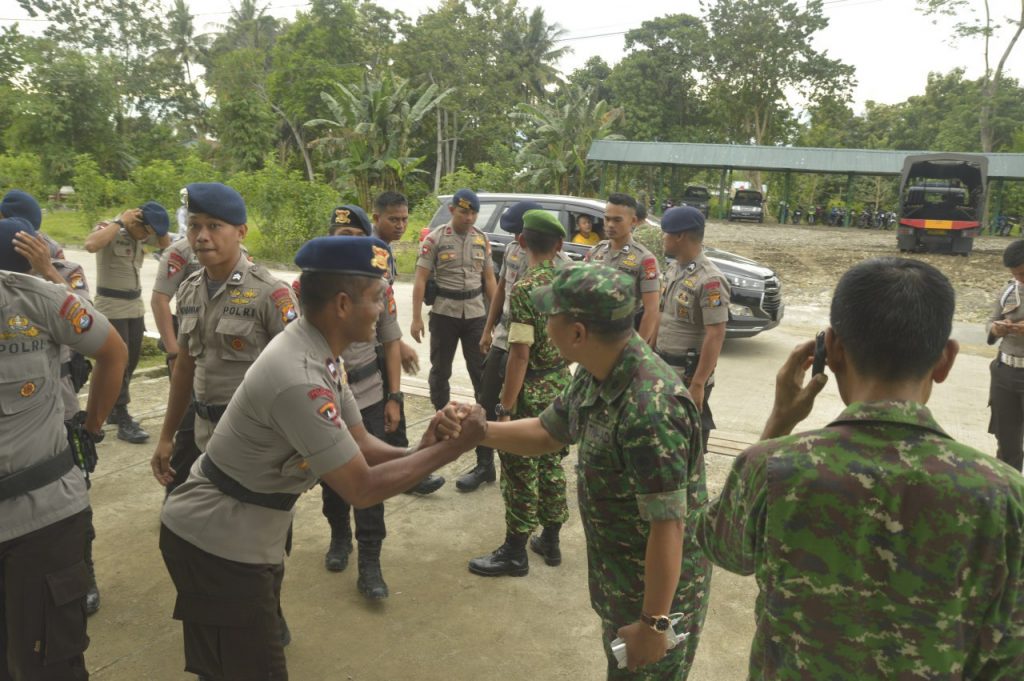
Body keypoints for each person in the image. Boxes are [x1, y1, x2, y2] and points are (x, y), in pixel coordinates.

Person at [156, 236, 484, 681]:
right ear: (344, 305)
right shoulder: (299, 375)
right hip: (216, 543)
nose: (385, 309)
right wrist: (453, 450)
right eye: (377, 298)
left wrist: (423, 445)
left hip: (248, 536)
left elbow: (362, 446)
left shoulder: (322, 355)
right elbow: (361, 488)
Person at [697, 257, 1024, 678]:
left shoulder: (773, 468)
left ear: (830, 351)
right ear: (945, 360)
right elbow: (1008, 657)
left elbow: (723, 547)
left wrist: (778, 425)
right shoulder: (1004, 495)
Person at [447, 263, 709, 678]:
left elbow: (669, 527)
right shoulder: (597, 371)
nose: (544, 323)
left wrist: (654, 623)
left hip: (657, 599)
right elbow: (548, 433)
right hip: (622, 580)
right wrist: (477, 432)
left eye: (552, 315)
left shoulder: (650, 408)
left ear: (577, 333)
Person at [0, 216, 128, 680]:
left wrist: (91, 428)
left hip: (43, 510)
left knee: (49, 660)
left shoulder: (39, 296)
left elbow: (107, 343)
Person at [152, 183, 297, 492]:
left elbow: (300, 374)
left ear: (241, 232)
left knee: (259, 531)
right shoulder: (189, 289)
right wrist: (167, 436)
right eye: (194, 226)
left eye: (214, 226)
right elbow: (185, 369)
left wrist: (301, 445)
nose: (201, 236)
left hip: (257, 440)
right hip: (205, 435)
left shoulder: (270, 293)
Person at [468, 209, 572, 577]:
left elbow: (520, 352)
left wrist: (506, 407)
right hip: (561, 383)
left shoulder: (527, 288)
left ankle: (515, 552)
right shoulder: (569, 277)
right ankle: (551, 540)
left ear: (522, 241)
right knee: (551, 464)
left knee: (519, 467)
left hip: (530, 388)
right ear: (559, 245)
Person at [12, 222, 107, 615]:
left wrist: (47, 273)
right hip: (15, 416)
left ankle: (84, 575)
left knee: (74, 497)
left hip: (62, 405)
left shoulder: (64, 272)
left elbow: (92, 325)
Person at [317, 204, 404, 599]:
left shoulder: (377, 284)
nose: (347, 244)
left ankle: (371, 561)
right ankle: (339, 537)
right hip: (324, 399)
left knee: (369, 478)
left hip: (368, 394)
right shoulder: (312, 287)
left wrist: (394, 397)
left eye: (356, 238)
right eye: (341, 237)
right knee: (332, 478)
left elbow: (390, 341)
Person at [370, 191, 444, 496]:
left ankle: (403, 474)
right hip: (370, 346)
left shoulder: (384, 249)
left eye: (404, 219)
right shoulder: (371, 250)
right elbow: (373, 307)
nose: (401, 225)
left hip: (383, 341)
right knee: (387, 407)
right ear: (376, 218)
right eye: (393, 219)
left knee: (392, 404)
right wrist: (397, 344)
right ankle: (404, 475)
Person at [467, 200, 543, 492]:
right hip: (503, 336)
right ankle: (484, 465)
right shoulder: (512, 251)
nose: (514, 239)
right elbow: (501, 289)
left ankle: (523, 468)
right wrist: (488, 328)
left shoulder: (555, 262)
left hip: (531, 346)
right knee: (486, 402)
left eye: (518, 233)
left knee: (521, 408)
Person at [84, 201, 172, 443]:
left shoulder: (141, 234)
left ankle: (113, 407)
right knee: (117, 363)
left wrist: (157, 226)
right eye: (145, 231)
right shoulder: (111, 229)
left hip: (134, 307)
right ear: (133, 222)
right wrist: (120, 222)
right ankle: (121, 414)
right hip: (112, 306)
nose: (147, 237)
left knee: (131, 361)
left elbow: (165, 244)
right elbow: (91, 245)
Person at [411, 188, 497, 412]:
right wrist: (415, 319)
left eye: (473, 214)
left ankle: (484, 425)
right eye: (463, 213)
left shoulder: (481, 238)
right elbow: (420, 279)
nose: (469, 218)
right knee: (441, 370)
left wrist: (496, 317)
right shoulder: (435, 238)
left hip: (476, 314)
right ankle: (442, 415)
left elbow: (489, 279)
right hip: (444, 313)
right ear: (452, 210)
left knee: (481, 370)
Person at [655, 206, 730, 453]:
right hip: (664, 368)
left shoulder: (709, 280)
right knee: (662, 439)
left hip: (687, 375)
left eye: (666, 233)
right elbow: (663, 314)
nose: (662, 238)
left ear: (681, 236)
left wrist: (698, 384)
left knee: (684, 445)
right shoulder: (675, 267)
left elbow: (716, 333)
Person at [584, 193, 661, 346]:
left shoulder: (645, 259)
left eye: (617, 220)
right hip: (592, 338)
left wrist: (637, 350)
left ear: (633, 221)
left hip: (623, 339)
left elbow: (651, 310)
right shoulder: (595, 252)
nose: (610, 224)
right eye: (607, 219)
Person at [988, 240, 1024, 472]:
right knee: (1007, 440)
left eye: (1022, 273)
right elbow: (990, 321)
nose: (1020, 279)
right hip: (1005, 373)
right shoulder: (1010, 290)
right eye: (1015, 274)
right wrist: (996, 329)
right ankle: (1011, 495)